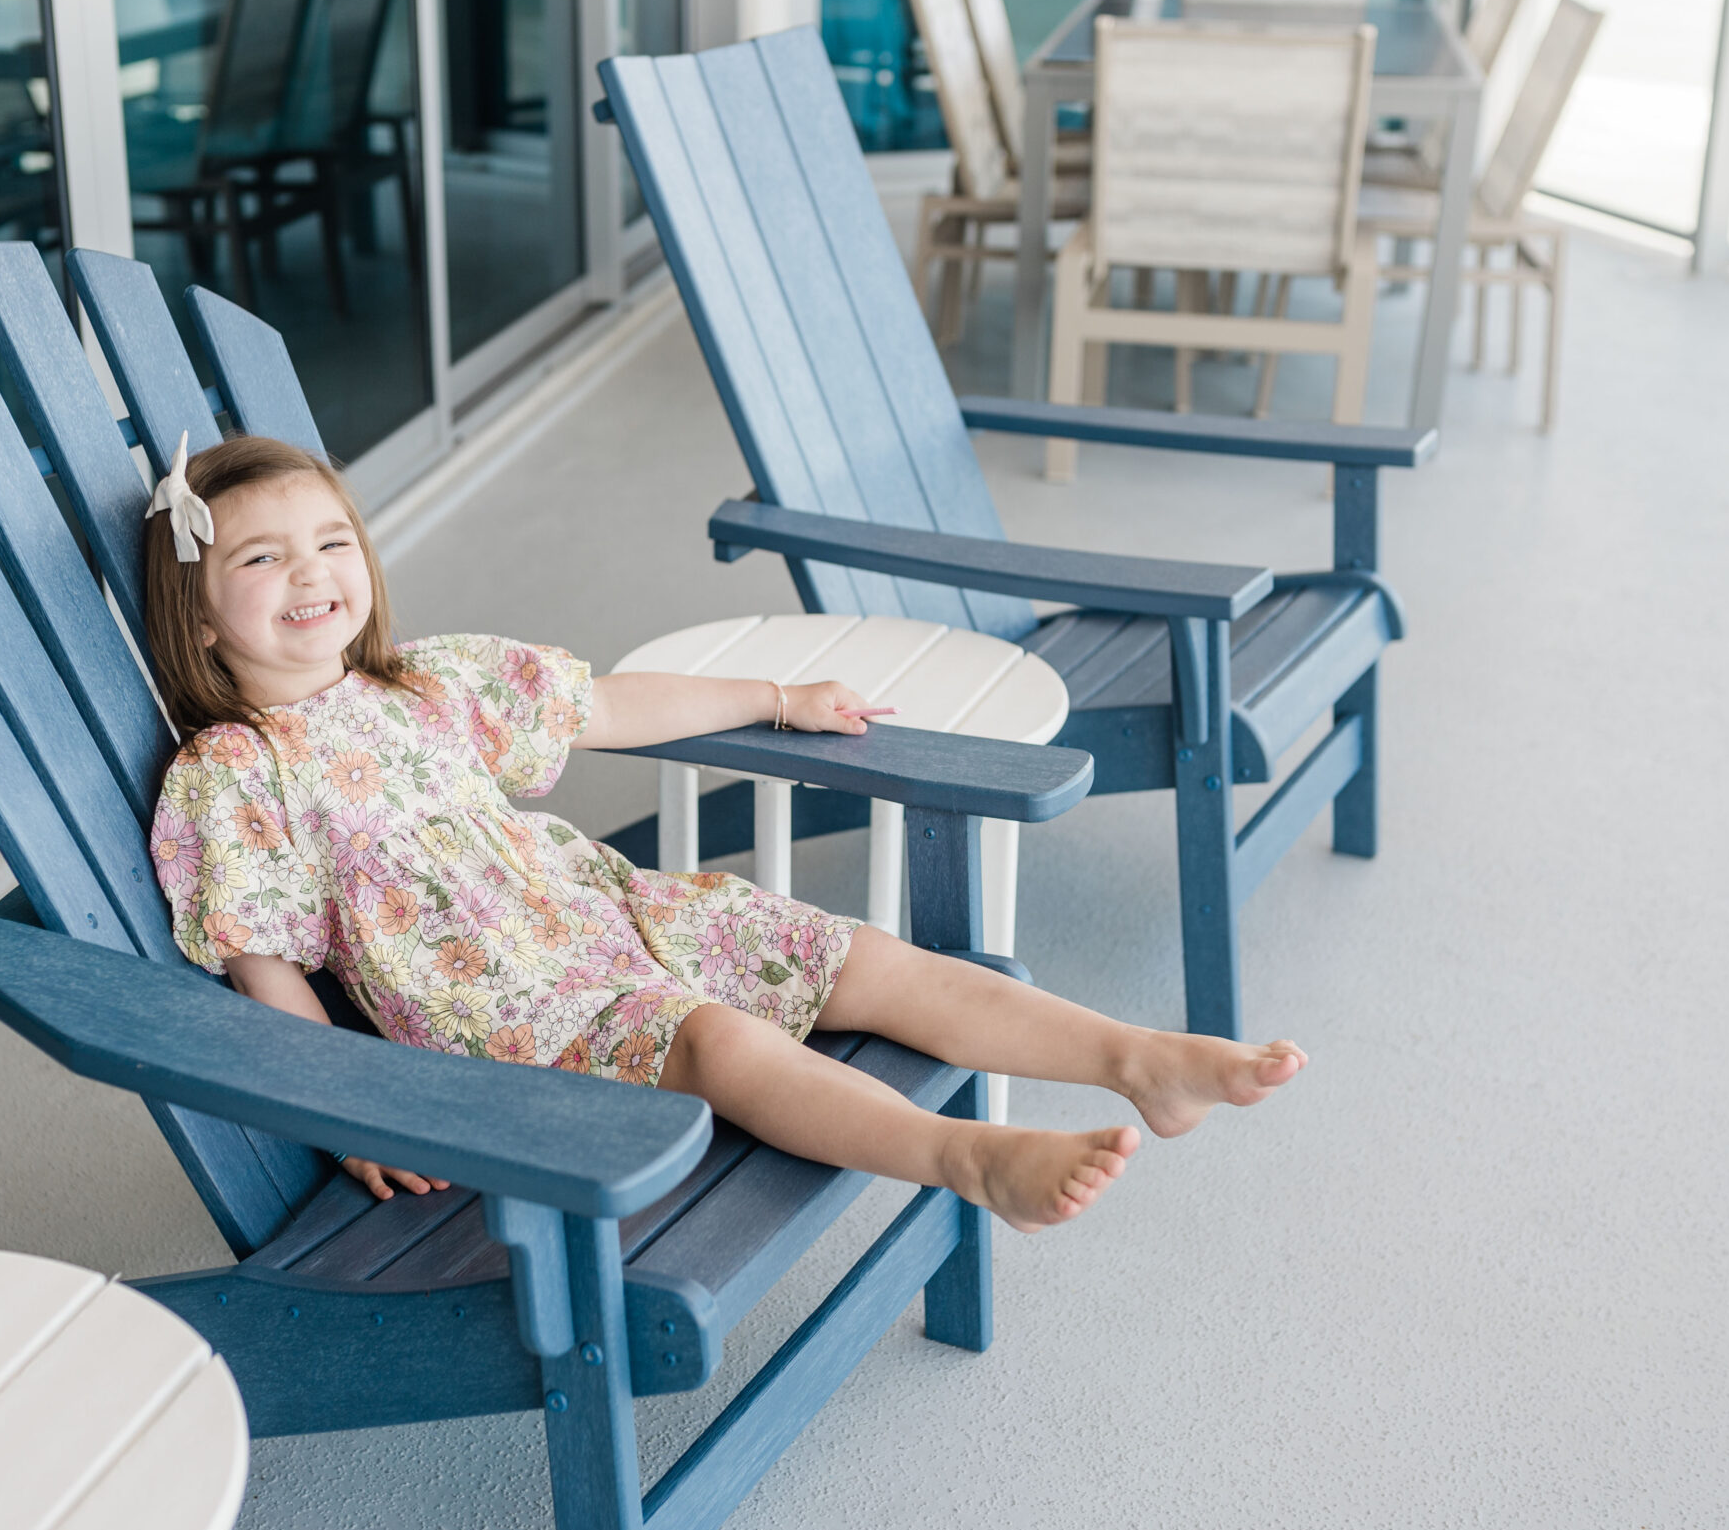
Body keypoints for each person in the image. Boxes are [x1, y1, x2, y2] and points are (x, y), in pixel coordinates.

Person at [144, 434, 1306, 1233]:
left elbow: (607, 704)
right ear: (197, 610)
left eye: (331, 539)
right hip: (515, 1011)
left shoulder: (429, 681)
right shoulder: (236, 770)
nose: (312, 572)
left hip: (610, 909)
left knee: (861, 955)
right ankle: (967, 1158)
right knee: (716, 1042)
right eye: (260, 555)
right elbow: (267, 966)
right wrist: (351, 1110)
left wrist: (770, 695)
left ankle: (1136, 1057)